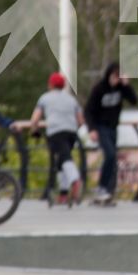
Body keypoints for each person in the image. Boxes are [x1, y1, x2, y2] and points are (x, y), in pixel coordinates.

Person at [82, 63, 136, 205]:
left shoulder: (121, 88)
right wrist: (91, 129)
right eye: (113, 76)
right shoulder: (99, 89)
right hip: (101, 127)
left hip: (113, 128)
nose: (115, 79)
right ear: (108, 75)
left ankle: (109, 190)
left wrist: (126, 85)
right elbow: (88, 111)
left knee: (112, 159)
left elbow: (134, 100)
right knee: (110, 154)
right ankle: (101, 187)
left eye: (118, 76)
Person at [32, 71, 86, 206]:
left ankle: (75, 180)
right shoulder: (71, 99)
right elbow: (80, 120)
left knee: (65, 158)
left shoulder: (44, 98)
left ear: (50, 84)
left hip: (55, 131)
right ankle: (63, 194)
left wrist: (35, 130)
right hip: (71, 132)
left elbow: (35, 118)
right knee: (61, 162)